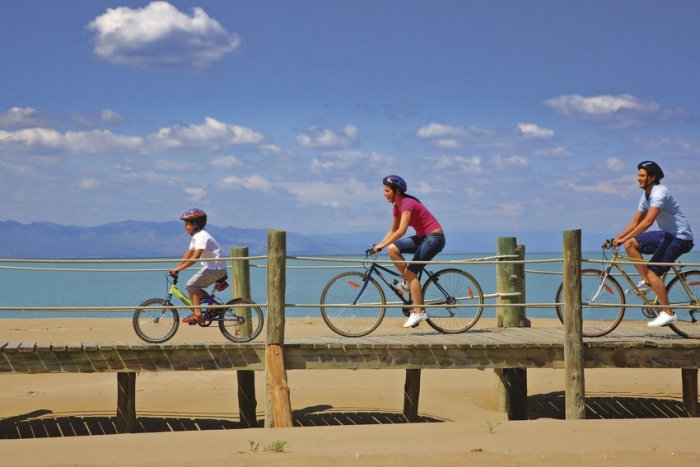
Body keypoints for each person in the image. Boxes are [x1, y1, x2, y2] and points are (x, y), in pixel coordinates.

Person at [613, 161, 694, 327]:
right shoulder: (646, 196)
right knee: (630, 244)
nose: (638, 179)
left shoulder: (660, 192)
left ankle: (668, 313)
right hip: (666, 234)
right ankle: (648, 282)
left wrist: (622, 238)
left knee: (653, 273)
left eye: (642, 176)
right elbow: (636, 222)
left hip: (680, 237)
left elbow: (648, 221)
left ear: (652, 177)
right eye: (638, 175)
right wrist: (618, 238)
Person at [371, 175, 446, 328]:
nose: (384, 194)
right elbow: (393, 230)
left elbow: (401, 231)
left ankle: (419, 311)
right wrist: (380, 245)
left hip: (434, 238)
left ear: (397, 191)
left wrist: (381, 245)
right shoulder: (396, 207)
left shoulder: (407, 203)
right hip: (423, 237)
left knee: (412, 273)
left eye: (387, 191)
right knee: (392, 250)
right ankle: (407, 283)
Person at [170, 208, 227, 325]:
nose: (185, 227)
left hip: (215, 269)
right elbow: (189, 253)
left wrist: (179, 269)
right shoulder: (196, 236)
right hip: (212, 268)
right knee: (193, 287)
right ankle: (214, 305)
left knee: (191, 286)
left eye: (187, 224)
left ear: (195, 225)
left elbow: (195, 257)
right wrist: (177, 267)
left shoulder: (202, 236)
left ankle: (198, 314)